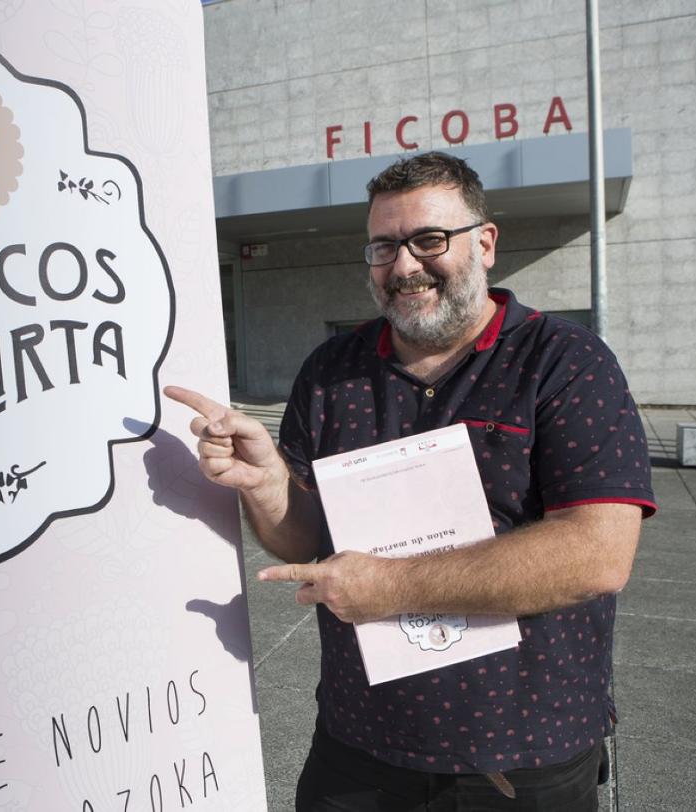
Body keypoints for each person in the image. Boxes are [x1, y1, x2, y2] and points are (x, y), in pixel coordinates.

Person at [165, 151, 656, 811]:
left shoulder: (564, 363)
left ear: (484, 243)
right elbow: (304, 537)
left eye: (429, 239)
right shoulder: (332, 370)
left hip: (521, 756)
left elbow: (596, 554)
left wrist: (390, 588)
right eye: (383, 246)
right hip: (360, 745)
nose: (403, 265)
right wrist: (266, 483)